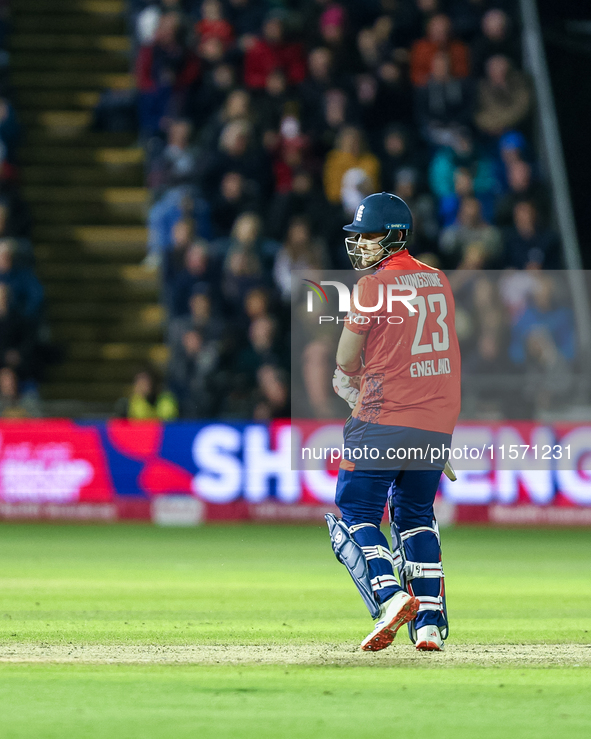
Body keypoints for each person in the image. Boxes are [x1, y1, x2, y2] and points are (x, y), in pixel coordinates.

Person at [326, 192, 461, 652]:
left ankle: (388, 595)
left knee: (358, 513)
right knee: (416, 516)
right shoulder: (438, 279)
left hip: (383, 418)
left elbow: (346, 356)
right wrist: (438, 433)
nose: (360, 243)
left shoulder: (372, 287)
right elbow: (437, 357)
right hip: (435, 418)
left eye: (369, 235)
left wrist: (346, 382)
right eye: (357, 236)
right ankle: (427, 624)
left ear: (396, 235)